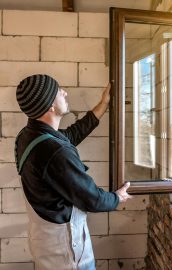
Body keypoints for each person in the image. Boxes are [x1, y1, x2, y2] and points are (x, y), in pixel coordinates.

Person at [14, 74, 132, 270]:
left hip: (45, 242)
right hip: (66, 253)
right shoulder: (54, 151)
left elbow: (71, 135)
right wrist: (117, 198)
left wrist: (103, 104)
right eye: (58, 90)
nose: (64, 92)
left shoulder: (28, 136)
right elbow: (92, 199)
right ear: (49, 106)